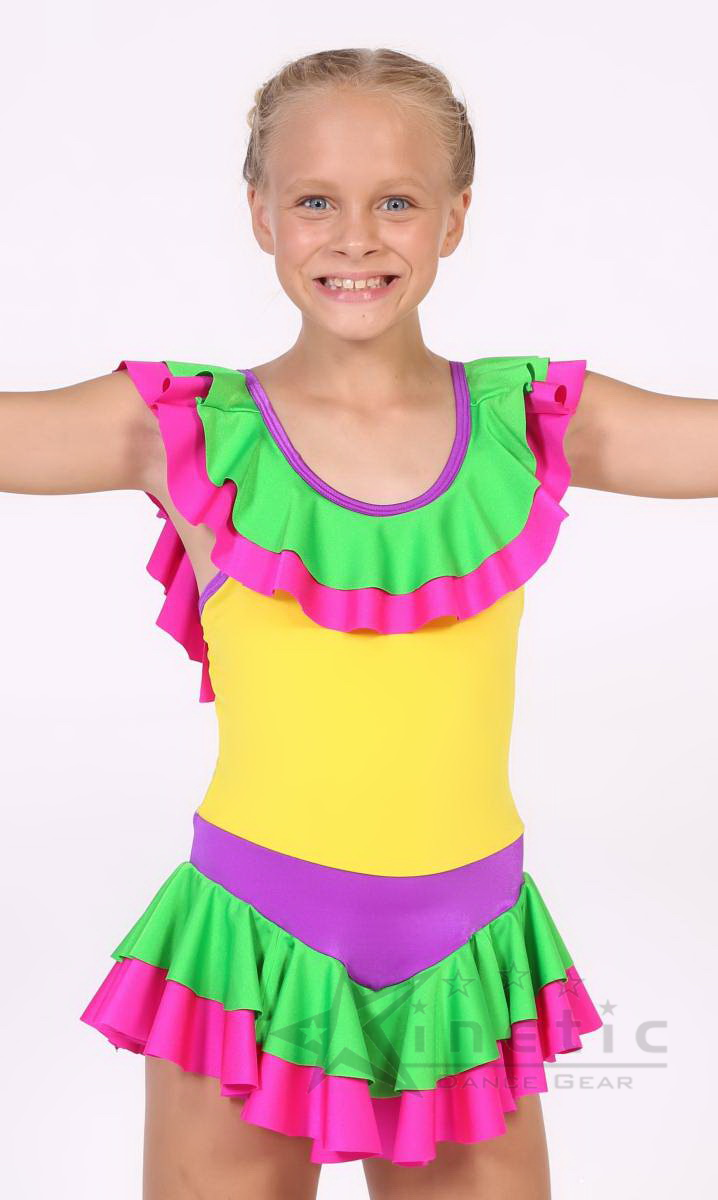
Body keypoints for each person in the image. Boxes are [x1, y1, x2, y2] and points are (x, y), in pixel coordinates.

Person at [2, 44, 715, 1200]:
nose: (354, 238)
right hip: (250, 949)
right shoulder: (184, 426)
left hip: (469, 956)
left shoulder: (531, 420)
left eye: (396, 202)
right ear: (258, 213)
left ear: (455, 216)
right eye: (314, 202)